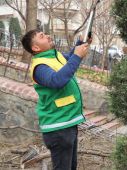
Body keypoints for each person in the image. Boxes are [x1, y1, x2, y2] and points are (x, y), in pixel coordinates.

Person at [21, 29, 91, 170]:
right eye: (42, 36)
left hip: (67, 122)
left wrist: (81, 42)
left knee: (71, 166)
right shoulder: (40, 66)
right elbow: (57, 81)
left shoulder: (54, 56)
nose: (47, 35)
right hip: (58, 127)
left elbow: (70, 60)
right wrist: (77, 57)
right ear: (35, 48)